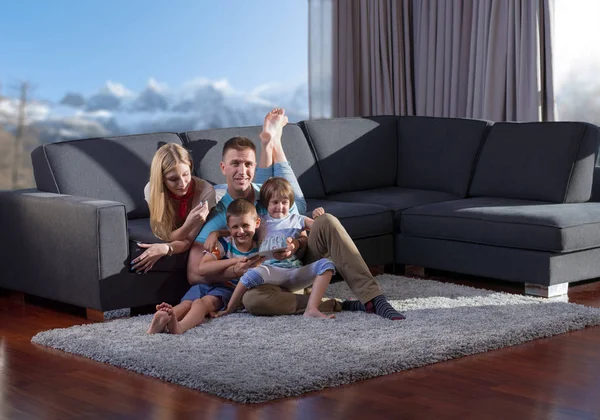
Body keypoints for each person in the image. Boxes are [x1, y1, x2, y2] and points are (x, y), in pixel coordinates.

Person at [188, 108, 405, 320]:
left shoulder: (267, 194)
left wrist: (296, 245)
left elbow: (298, 224)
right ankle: (338, 304)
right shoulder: (218, 216)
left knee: (326, 220)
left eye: (247, 164)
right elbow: (193, 274)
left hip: (297, 262)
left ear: (254, 168)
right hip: (267, 278)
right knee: (252, 301)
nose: (242, 171)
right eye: (235, 164)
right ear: (223, 167)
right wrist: (234, 268)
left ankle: (373, 298)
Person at [211, 177, 337, 319]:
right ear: (267, 203)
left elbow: (320, 228)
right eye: (275, 202)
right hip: (270, 271)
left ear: (290, 203)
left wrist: (318, 217)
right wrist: (215, 233)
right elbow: (239, 228)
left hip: (294, 271)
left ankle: (312, 309)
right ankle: (229, 309)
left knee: (327, 265)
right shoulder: (262, 220)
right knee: (249, 275)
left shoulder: (297, 219)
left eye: (284, 202)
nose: (280, 207)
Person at [146, 198, 261, 334]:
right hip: (205, 284)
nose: (241, 231)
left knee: (200, 304)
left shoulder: (258, 251)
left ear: (257, 223)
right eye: (235, 227)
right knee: (186, 304)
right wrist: (234, 261)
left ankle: (179, 326)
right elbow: (203, 268)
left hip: (226, 290)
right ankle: (164, 317)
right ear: (228, 228)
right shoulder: (223, 244)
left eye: (245, 225)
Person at [131, 143, 216, 274]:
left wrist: (166, 248)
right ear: (162, 179)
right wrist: (188, 225)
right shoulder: (151, 190)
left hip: (217, 198)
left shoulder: (206, 192)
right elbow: (165, 234)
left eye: (186, 174)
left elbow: (188, 241)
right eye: (173, 179)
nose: (182, 184)